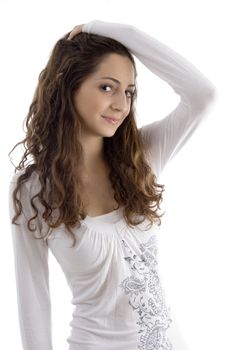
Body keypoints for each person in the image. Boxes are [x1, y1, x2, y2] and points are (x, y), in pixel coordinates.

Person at [8, 20, 216, 350]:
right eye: (107, 87)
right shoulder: (33, 188)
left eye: (129, 92)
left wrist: (108, 29)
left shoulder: (141, 157)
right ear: (68, 84)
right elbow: (33, 299)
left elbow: (204, 94)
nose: (121, 104)